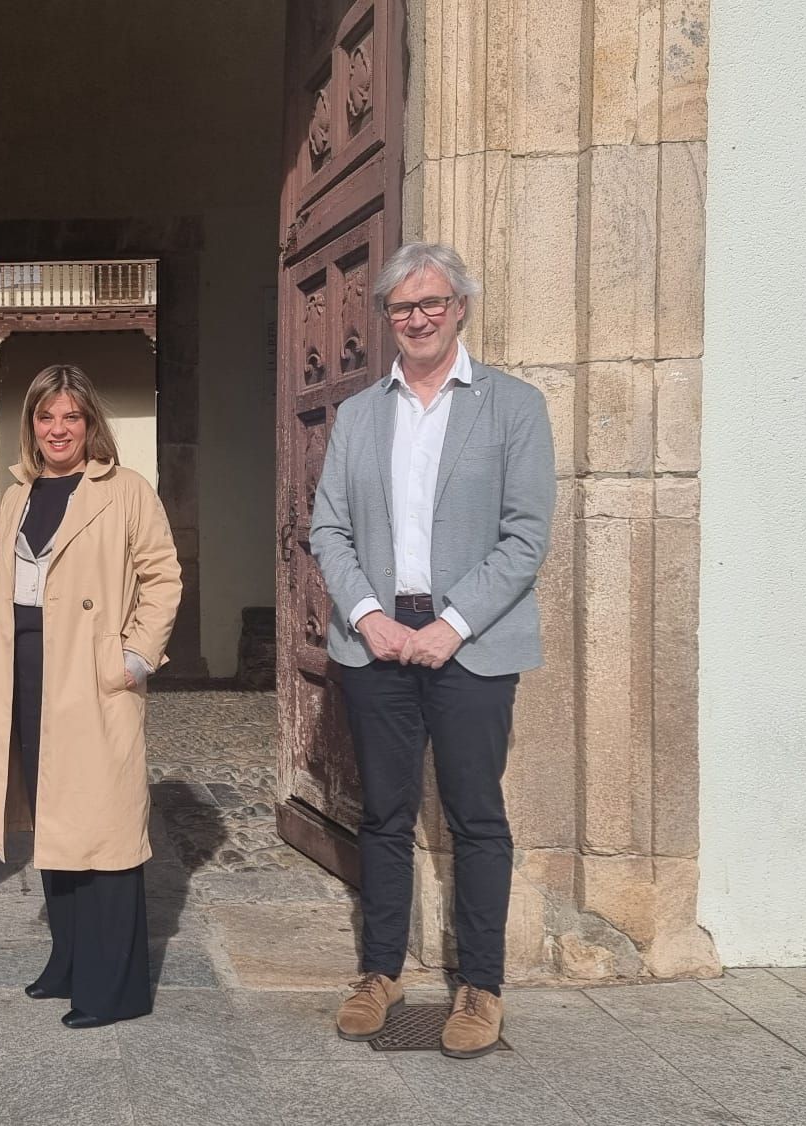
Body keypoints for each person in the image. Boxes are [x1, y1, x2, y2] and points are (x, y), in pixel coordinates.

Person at [309, 242, 555, 1058]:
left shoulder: (513, 407)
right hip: (375, 641)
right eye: (400, 307)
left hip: (472, 645)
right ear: (386, 318)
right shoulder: (357, 414)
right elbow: (329, 528)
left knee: (475, 816)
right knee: (382, 815)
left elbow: (525, 537)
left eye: (431, 304)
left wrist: (453, 624)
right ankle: (380, 972)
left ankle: (480, 987)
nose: (415, 319)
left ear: (460, 310)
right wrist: (371, 616)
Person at [0, 364, 182, 1029]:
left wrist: (135, 655)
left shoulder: (126, 491)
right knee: (52, 818)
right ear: (30, 426)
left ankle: (114, 987)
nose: (58, 429)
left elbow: (163, 576)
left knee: (107, 830)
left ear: (91, 423)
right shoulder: (19, 494)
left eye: (71, 416)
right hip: (28, 671)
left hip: (91, 676)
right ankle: (67, 960)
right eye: (45, 416)